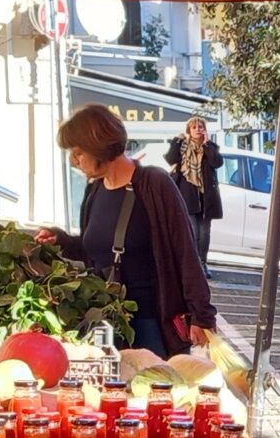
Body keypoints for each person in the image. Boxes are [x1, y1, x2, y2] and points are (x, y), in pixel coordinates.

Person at [48, 104, 215, 357]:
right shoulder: (94, 190)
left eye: (79, 152)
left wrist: (201, 315)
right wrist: (61, 241)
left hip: (151, 325)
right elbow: (95, 251)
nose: (74, 161)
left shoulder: (154, 183)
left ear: (98, 146)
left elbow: (185, 252)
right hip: (105, 324)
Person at [171, 117, 224, 262]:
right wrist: (176, 141)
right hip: (188, 194)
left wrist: (206, 144)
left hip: (206, 196)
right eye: (194, 127)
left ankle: (203, 262)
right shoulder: (182, 146)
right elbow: (171, 158)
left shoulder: (211, 147)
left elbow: (216, 162)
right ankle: (193, 263)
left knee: (205, 232)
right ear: (189, 129)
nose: (197, 130)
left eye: (200, 127)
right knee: (193, 230)